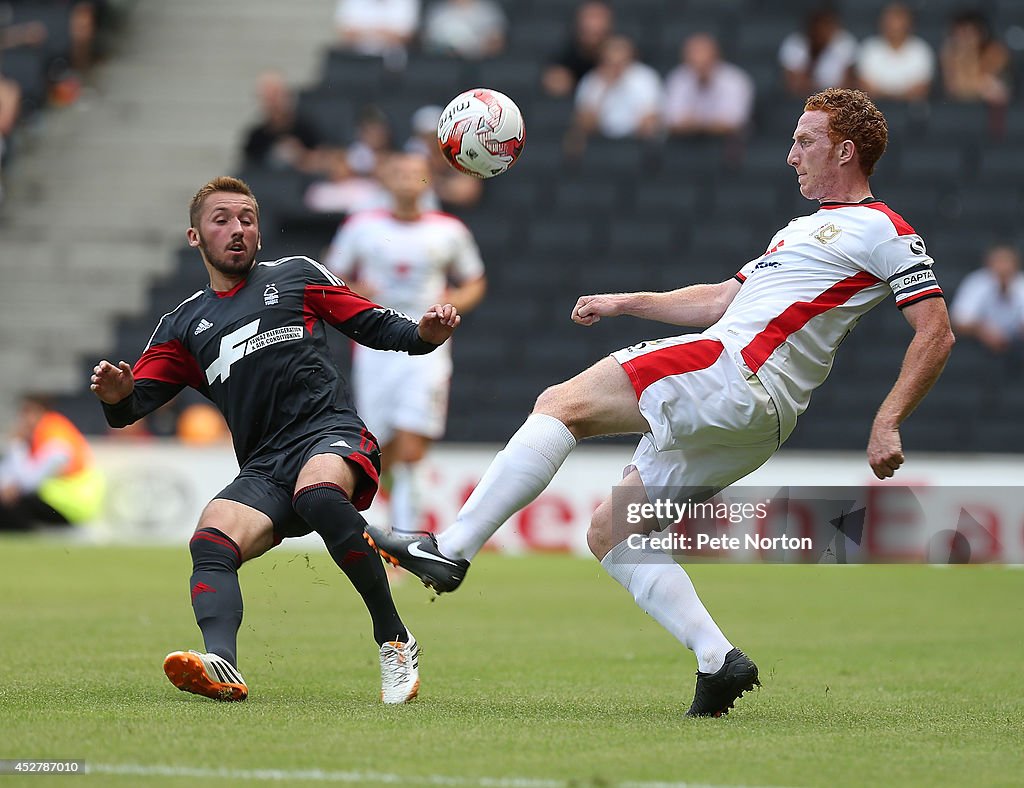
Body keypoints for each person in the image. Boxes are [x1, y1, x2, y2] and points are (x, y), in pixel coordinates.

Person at [366, 88, 955, 718]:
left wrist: (889, 419)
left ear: (844, 150)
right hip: (759, 420)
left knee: (560, 404)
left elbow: (936, 329)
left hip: (732, 373)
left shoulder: (884, 230)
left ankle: (450, 550)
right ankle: (718, 660)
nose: (791, 156)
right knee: (613, 535)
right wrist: (625, 303)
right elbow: (720, 299)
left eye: (804, 141)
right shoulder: (801, 232)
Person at [90, 176, 461, 704]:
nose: (237, 229)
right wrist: (118, 391)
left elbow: (376, 324)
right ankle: (223, 665)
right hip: (265, 467)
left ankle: (394, 639)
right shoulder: (182, 325)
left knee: (316, 493)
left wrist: (425, 334)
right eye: (221, 220)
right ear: (195, 237)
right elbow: (128, 408)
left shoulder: (295, 276)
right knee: (210, 539)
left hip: (330, 433)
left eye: (247, 219)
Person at [325, 154, 486, 534]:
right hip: (376, 345)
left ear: (427, 181)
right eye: (399, 173)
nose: (407, 180)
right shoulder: (361, 227)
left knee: (413, 443)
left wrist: (451, 305)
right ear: (386, 180)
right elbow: (331, 277)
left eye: (415, 174)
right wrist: (358, 292)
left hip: (426, 345)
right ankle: (382, 522)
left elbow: (475, 281)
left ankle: (402, 539)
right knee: (378, 446)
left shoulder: (448, 230)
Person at [0, 395, 105, 531]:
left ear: (42, 412)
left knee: (12, 507)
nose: (23, 419)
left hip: (71, 505)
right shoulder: (38, 436)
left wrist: (17, 445)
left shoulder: (55, 437)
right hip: (55, 501)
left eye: (28, 412)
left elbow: (30, 481)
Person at [567, 35, 663, 153]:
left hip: (636, 143)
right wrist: (603, 90)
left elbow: (651, 121)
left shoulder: (645, 78)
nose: (616, 67)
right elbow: (586, 124)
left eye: (621, 61)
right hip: (601, 145)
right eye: (610, 61)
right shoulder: (592, 80)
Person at [663, 33, 755, 138]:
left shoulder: (735, 80)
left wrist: (695, 123)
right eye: (693, 55)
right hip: (685, 144)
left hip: (726, 144)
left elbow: (733, 123)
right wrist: (708, 123)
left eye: (703, 54)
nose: (699, 61)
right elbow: (673, 122)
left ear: (716, 56)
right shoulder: (677, 78)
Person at [950, 244, 1024, 357]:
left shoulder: (1021, 283)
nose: (1003, 268)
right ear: (989, 264)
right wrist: (982, 330)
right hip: (979, 350)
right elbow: (959, 319)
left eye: (1006, 263)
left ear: (1016, 265)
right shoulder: (976, 282)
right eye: (999, 262)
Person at [242, 72, 325, 172]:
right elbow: (248, 168)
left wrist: (302, 155)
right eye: (268, 98)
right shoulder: (256, 137)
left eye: (276, 95)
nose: (273, 103)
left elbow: (324, 160)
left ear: (287, 96)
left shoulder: (307, 127)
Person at [856, 2, 934, 101]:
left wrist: (890, 95)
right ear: (882, 22)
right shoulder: (869, 48)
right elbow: (865, 87)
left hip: (911, 110)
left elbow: (921, 88)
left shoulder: (921, 49)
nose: (895, 25)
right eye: (890, 20)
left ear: (909, 23)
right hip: (874, 109)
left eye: (899, 20)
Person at [779, 7, 858, 96]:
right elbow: (795, 85)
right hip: (803, 99)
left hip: (835, 100)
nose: (823, 31)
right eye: (819, 26)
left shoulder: (845, 42)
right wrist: (814, 53)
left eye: (827, 26)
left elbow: (847, 85)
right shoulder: (795, 44)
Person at [542, 1, 614, 98]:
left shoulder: (621, 57)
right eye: (589, 17)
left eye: (598, 17)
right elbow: (553, 82)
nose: (592, 24)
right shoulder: (564, 54)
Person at [940, 9, 1010, 107]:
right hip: (960, 109)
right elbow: (954, 89)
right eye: (959, 33)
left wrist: (969, 56)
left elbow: (975, 87)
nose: (964, 38)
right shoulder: (949, 52)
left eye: (968, 32)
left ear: (980, 34)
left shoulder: (996, 51)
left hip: (993, 111)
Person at [422, 0, 506, 59]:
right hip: (445, 64)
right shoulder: (438, 11)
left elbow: (497, 43)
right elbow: (427, 43)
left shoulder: (488, 10)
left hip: (479, 62)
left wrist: (473, 51)